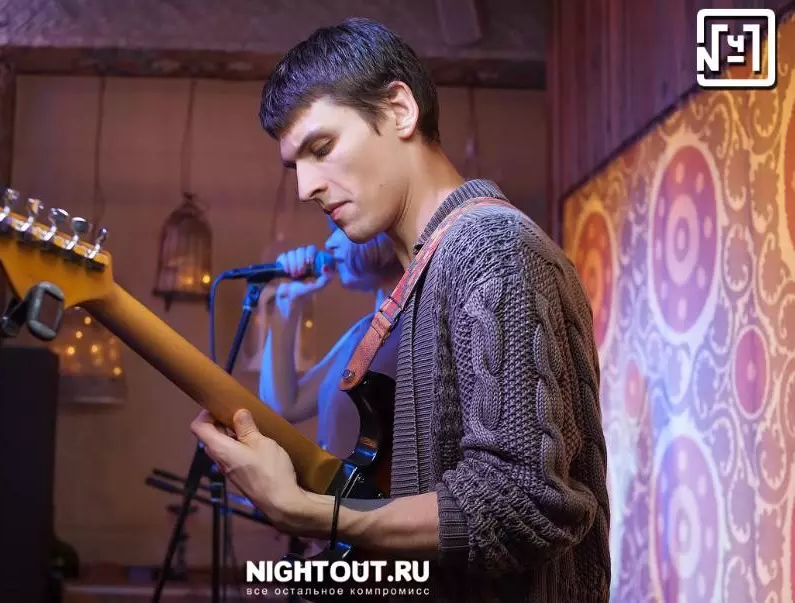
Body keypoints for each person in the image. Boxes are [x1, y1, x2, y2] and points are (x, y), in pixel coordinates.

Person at [191, 17, 610, 602]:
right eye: (295, 165)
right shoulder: (424, 275)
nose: (305, 187)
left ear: (399, 111)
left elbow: (521, 500)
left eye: (321, 148)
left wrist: (311, 513)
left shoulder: (491, 248)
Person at [257, 222, 403, 460]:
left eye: (341, 229)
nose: (329, 243)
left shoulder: (410, 326)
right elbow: (285, 405)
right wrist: (288, 301)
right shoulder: (366, 330)